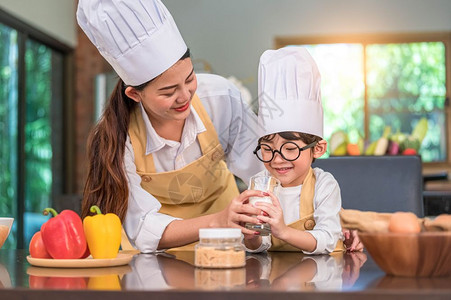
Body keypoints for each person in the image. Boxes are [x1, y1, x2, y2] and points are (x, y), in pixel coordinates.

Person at [76, 0, 266, 253]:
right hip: (157, 260)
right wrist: (218, 221)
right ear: (135, 94)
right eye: (168, 92)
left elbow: (263, 173)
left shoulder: (220, 98)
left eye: (189, 79)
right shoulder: (118, 136)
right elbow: (141, 226)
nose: (185, 96)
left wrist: (259, 235)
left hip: (228, 247)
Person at [244, 47, 360, 254]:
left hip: (322, 278)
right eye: (267, 149)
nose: (277, 160)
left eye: (289, 149)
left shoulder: (324, 185)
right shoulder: (261, 183)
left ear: (317, 149)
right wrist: (249, 237)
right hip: (274, 278)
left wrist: (283, 231)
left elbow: (327, 239)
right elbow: (259, 245)